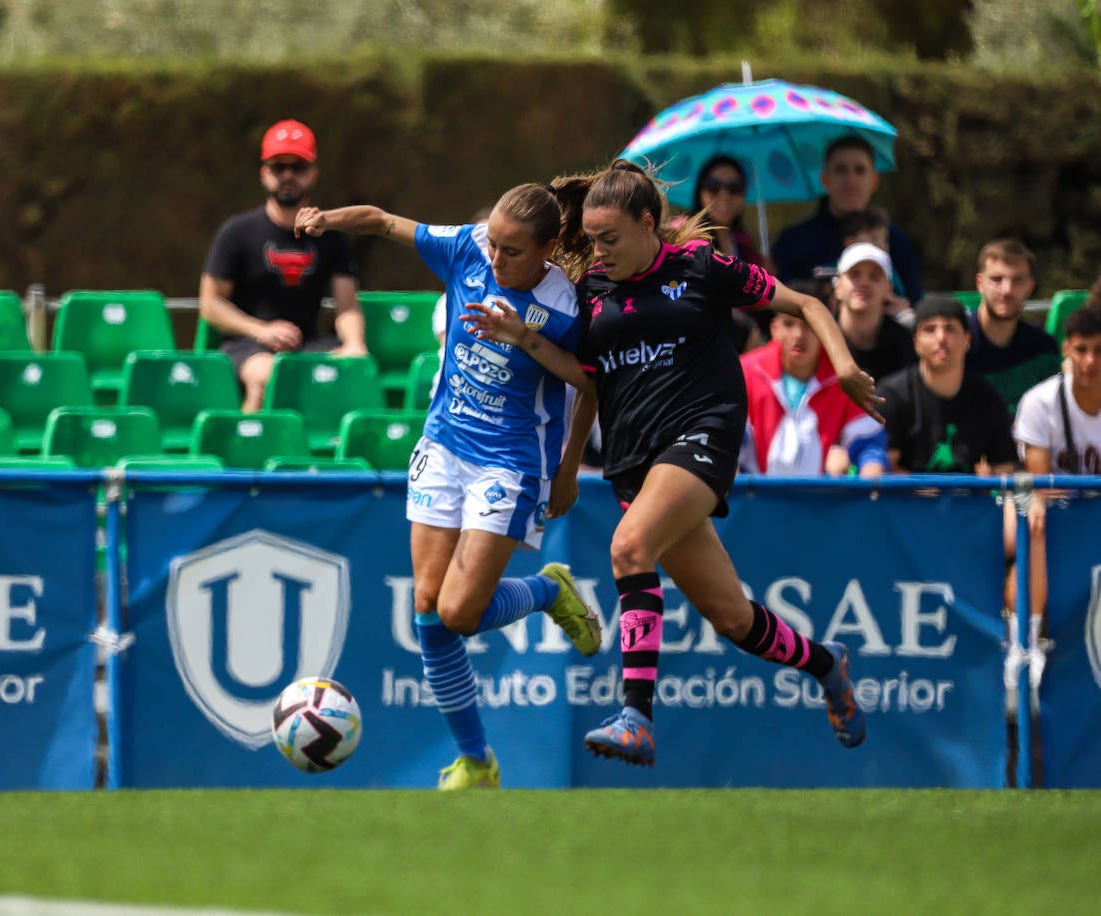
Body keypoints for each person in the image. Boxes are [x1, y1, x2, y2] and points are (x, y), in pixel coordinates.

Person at [462, 160, 879, 766]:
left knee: (629, 547)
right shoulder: (594, 293)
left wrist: (842, 368)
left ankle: (636, 715)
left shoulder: (703, 269)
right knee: (732, 617)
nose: (598, 252)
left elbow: (808, 305)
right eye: (593, 240)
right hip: (635, 459)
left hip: (702, 436)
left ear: (649, 223)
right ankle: (825, 663)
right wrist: (566, 457)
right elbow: (588, 381)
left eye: (610, 238)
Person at [294, 185, 602, 789]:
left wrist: (566, 470)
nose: (496, 259)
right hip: (443, 448)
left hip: (510, 465)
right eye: (493, 243)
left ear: (546, 250)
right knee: (429, 612)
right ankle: (477, 762)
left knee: (460, 613)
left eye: (513, 251)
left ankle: (547, 592)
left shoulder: (564, 305)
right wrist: (327, 219)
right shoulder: (466, 249)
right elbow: (382, 220)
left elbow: (591, 383)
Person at [199, 119, 366, 412]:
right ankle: (248, 451)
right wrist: (260, 330)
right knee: (270, 377)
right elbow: (211, 304)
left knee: (356, 372)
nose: (288, 175)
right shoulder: (237, 232)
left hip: (309, 345)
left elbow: (348, 306)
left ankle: (328, 454)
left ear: (313, 174)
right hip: (246, 345)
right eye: (279, 167)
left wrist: (354, 344)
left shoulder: (332, 237)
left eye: (298, 167)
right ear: (265, 174)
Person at [1006, 304, 1101, 732]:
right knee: (1033, 520)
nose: (1090, 362)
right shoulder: (1040, 401)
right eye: (1081, 350)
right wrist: (1041, 499)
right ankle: (1024, 645)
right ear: (1066, 348)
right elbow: (1040, 480)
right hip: (1060, 513)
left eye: (1099, 351)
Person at [772, 135, 922, 304]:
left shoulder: (895, 242)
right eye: (840, 170)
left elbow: (915, 302)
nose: (850, 181)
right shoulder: (793, 242)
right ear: (825, 179)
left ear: (874, 180)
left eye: (860, 170)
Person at [877, 295, 1018, 474]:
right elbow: (883, 470)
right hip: (907, 500)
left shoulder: (988, 398)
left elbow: (1004, 468)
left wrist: (991, 482)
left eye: (950, 329)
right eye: (930, 329)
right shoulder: (892, 395)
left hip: (967, 500)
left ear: (967, 339)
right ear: (916, 343)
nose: (941, 338)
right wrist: (920, 490)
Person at [739, 312, 887, 477]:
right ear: (775, 329)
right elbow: (727, 437)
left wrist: (872, 485)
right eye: (788, 324)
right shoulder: (744, 372)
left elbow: (869, 446)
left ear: (826, 331)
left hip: (823, 499)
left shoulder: (845, 379)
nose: (798, 335)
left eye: (809, 325)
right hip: (753, 497)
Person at [967, 239, 1060, 415]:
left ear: (1030, 286)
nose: (1007, 290)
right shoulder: (955, 343)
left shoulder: (1044, 349)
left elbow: (1053, 417)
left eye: (1017, 280)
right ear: (980, 284)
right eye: (996, 279)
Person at [685, 155, 766, 352]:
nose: (724, 194)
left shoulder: (745, 242)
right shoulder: (686, 238)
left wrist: (766, 273)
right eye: (713, 186)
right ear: (700, 191)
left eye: (734, 187)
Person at [830, 242, 916, 383]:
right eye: (855, 275)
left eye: (874, 277)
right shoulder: (818, 339)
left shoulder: (905, 345)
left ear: (888, 289)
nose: (864, 283)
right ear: (837, 287)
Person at [839, 207, 913, 327]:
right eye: (874, 238)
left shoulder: (892, 273)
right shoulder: (830, 269)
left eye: (884, 240)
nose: (881, 245)